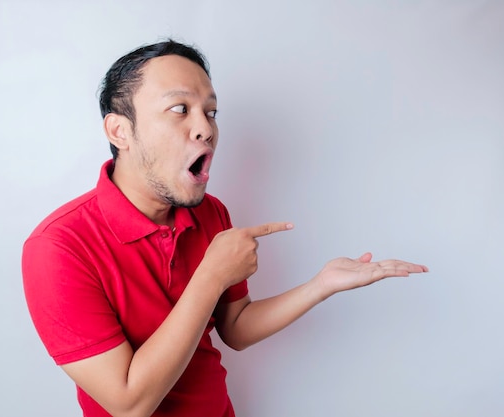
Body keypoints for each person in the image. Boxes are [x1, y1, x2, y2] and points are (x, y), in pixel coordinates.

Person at [22, 39, 428, 417]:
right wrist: (211, 274)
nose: (206, 129)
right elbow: (129, 403)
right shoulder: (57, 247)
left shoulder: (210, 213)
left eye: (210, 111)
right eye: (180, 109)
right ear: (120, 131)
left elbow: (235, 328)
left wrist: (320, 285)